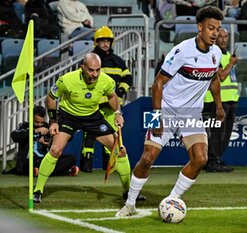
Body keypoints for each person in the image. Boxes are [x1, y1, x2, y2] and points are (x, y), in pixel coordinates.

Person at [116, 6, 225, 217]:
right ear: (200, 27)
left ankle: (173, 199)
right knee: (147, 158)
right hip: (166, 110)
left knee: (200, 158)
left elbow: (214, 78)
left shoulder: (216, 53)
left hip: (192, 115)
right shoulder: (182, 50)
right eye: (211, 28)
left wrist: (219, 105)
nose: (215, 33)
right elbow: (157, 84)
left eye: (218, 29)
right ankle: (130, 203)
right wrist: (157, 117)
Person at [33, 53, 124, 203]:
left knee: (120, 149)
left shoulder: (106, 81)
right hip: (68, 116)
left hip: (92, 117)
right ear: (82, 68)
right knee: (55, 150)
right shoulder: (67, 80)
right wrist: (53, 121)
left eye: (98, 70)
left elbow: (112, 96)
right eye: (91, 70)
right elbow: (50, 98)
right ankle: (38, 191)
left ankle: (129, 193)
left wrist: (117, 113)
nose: (95, 74)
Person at [80, 26, 146, 201]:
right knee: (90, 137)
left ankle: (116, 172)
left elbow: (127, 77)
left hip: (113, 108)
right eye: (102, 41)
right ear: (96, 42)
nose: (105, 43)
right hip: (94, 107)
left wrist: (121, 91)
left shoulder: (118, 61)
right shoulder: (92, 60)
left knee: (117, 141)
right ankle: (86, 164)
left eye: (107, 41)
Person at [202, 28, 238, 173]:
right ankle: (211, 161)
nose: (223, 39)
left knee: (225, 135)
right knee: (216, 133)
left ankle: (216, 158)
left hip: (231, 100)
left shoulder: (228, 56)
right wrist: (231, 64)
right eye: (221, 36)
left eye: (226, 36)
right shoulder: (214, 55)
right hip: (218, 101)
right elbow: (221, 76)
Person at [8, 106, 79, 177]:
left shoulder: (48, 127)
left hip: (45, 159)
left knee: (71, 158)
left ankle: (38, 171)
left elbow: (66, 138)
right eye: (36, 122)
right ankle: (66, 171)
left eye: (42, 122)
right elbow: (14, 136)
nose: (39, 124)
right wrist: (35, 131)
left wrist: (49, 142)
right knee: (35, 161)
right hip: (29, 160)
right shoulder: (24, 126)